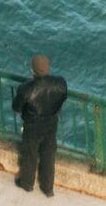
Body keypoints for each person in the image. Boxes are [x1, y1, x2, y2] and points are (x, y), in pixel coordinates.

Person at [10, 55, 70, 195]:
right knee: (48, 153)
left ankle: (27, 183)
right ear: (48, 68)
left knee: (30, 153)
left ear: (33, 70)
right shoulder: (60, 83)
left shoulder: (25, 88)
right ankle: (48, 188)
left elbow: (16, 107)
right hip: (51, 122)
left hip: (32, 124)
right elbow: (62, 98)